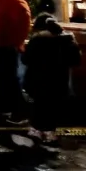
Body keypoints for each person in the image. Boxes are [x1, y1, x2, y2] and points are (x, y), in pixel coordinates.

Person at [17, 15, 81, 144]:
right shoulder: (68, 40)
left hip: (38, 79)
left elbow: (26, 59)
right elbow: (76, 61)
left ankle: (37, 130)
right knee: (54, 105)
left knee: (39, 105)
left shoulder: (38, 40)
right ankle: (50, 132)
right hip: (60, 80)